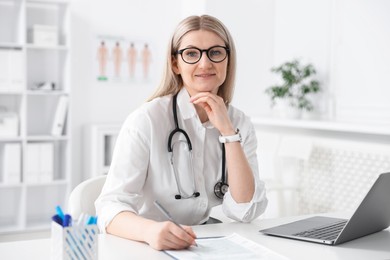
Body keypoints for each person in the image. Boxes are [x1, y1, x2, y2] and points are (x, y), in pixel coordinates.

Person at [95, 15, 268, 251]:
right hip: (149, 245)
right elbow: (109, 206)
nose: (205, 64)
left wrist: (229, 133)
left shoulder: (239, 123)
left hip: (206, 243)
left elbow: (244, 210)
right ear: (176, 64)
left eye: (215, 52)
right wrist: (150, 231)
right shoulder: (146, 120)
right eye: (191, 53)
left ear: (228, 60)